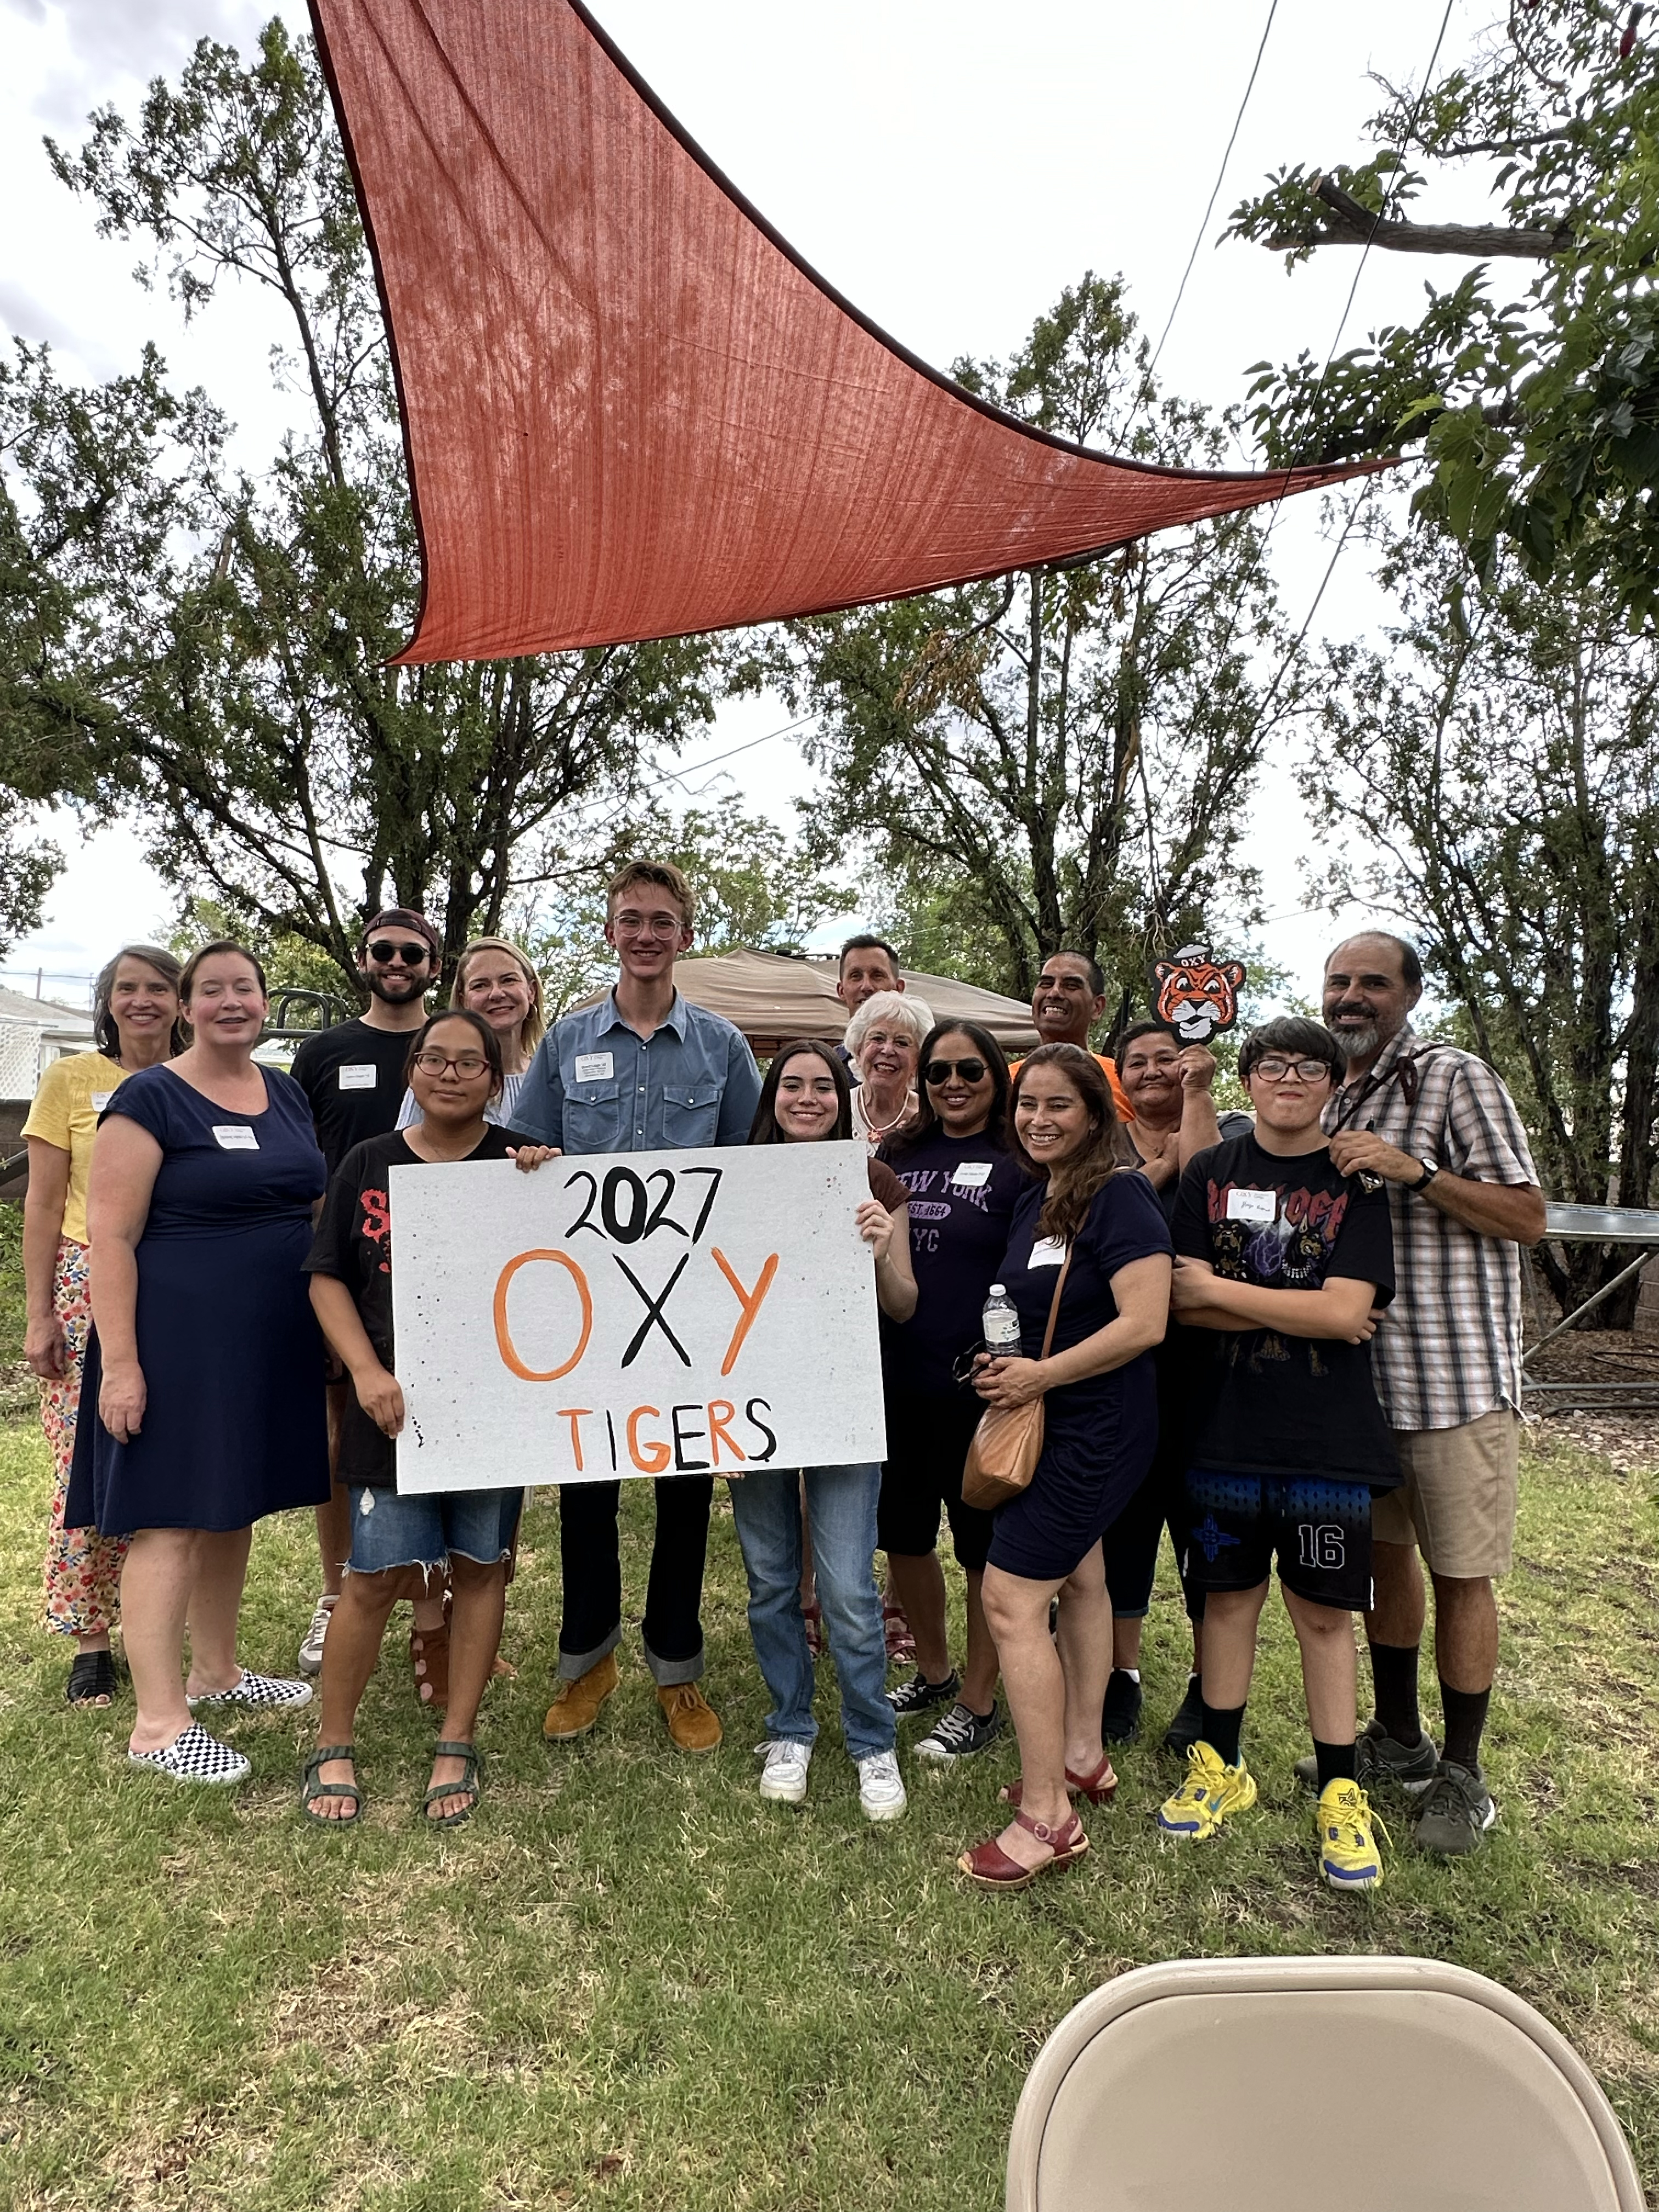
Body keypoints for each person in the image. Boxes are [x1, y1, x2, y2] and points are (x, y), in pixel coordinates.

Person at [514, 859, 763, 1752]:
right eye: (631, 919)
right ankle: (586, 1660)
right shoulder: (565, 1042)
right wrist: (533, 1163)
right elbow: (524, 1148)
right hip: (583, 1304)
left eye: (662, 920)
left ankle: (676, 1667)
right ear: (610, 930)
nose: (646, 934)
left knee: (684, 1486)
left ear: (683, 935)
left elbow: (748, 1175)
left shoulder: (723, 1049)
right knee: (585, 1487)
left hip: (687, 1302)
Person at [65, 941, 328, 1785]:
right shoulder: (149, 1096)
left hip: (266, 1341)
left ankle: (216, 1674)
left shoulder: (283, 1090)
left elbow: (315, 1201)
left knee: (229, 1508)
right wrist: (122, 1367)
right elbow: (111, 1236)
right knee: (172, 1518)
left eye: (243, 989)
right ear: (186, 1006)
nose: (229, 1003)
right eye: (210, 990)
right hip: (175, 1340)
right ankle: (157, 1721)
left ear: (262, 1001)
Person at [1318, 931, 1546, 1855]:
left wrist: (1414, 1171)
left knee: (1460, 1574)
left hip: (1454, 1381)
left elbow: (1527, 1216)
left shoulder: (1453, 1077)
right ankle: (1398, 1738)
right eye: (1337, 980)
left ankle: (1462, 1773)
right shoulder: (1331, 1092)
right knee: (1382, 1562)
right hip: (1363, 1381)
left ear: (1407, 994)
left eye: (1371, 981)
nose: (1351, 995)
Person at [300, 1010, 557, 1825]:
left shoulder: (525, 1165)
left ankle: (457, 1738)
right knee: (371, 1580)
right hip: (396, 1409)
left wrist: (548, 1181)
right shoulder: (368, 1164)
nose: (450, 1073)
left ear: (495, 1077)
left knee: (481, 1567)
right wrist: (368, 1372)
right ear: (412, 1071)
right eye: (434, 1059)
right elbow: (327, 1277)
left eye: (469, 1062)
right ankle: (332, 1743)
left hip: (494, 1413)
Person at [1158, 1017, 1396, 1892]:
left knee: (1326, 1617)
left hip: (1327, 1440)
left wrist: (1226, 1291)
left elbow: (1347, 1314)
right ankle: (1222, 1765)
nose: (1288, 1078)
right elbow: (1177, 1305)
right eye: (1272, 1064)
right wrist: (1300, 1300)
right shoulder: (1207, 1174)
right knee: (1224, 1603)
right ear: (1247, 1079)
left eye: (1308, 1066)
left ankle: (1340, 1790)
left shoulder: (1355, 1181)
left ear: (1332, 1083)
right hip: (1219, 1427)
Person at [957, 1045, 1171, 1891]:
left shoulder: (1120, 1195)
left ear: (1096, 1113)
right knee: (1081, 1583)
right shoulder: (1041, 1197)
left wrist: (1042, 1375)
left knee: (1010, 1601)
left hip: (1095, 1428)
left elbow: (1146, 1321)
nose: (1038, 1119)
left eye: (1058, 1105)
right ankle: (1082, 1756)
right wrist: (1003, 1364)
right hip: (1046, 1419)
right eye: (1027, 1105)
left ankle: (1048, 1816)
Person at [730, 1041, 915, 1820]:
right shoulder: (731, 1179)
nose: (807, 1098)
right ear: (772, 1096)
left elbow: (904, 1303)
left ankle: (873, 1741)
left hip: (841, 1405)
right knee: (772, 1582)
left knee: (844, 1586)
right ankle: (791, 1727)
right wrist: (710, 1425)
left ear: (844, 1099)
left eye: (823, 1087)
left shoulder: (873, 1180)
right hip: (751, 1408)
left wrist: (877, 1249)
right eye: (792, 1085)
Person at [22, 945, 185, 1707]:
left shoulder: (196, 1083)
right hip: (88, 1278)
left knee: (170, 1461)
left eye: (159, 987)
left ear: (182, 1001)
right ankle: (91, 1638)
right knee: (86, 1460)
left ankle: (153, 1627)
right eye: (129, 988)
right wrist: (39, 1313)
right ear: (109, 1001)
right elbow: (44, 1207)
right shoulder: (71, 1081)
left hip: (181, 1281)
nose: (144, 1000)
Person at [290, 907, 443, 1683]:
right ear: (362, 958)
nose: (395, 961)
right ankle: (335, 1591)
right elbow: (294, 1159)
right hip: (347, 1271)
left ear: (432, 965)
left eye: (410, 952)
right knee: (339, 1437)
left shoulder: (448, 1048)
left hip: (442, 1276)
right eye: (383, 949)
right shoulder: (323, 1051)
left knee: (423, 1435)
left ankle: (429, 1616)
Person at [1098, 1019, 1252, 1748]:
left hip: (1209, 1375)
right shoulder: (1104, 1145)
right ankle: (1120, 1676)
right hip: (1125, 1371)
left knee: (1203, 1533)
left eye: (1169, 1058)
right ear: (1119, 1077)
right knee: (1125, 1525)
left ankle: (1204, 1681)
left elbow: (1206, 1186)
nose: (1154, 1070)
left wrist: (1198, 1092)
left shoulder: (1227, 1129)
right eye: (1137, 1062)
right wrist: (1145, 1170)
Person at [878, 1021, 1023, 1760]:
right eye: (938, 1073)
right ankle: (935, 1673)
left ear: (996, 1076)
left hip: (979, 1388)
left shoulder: (1018, 1162)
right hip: (896, 1380)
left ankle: (979, 1699)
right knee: (903, 1538)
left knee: (980, 1550)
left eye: (970, 1070)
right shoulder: (897, 1155)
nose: (954, 1085)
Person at [395, 935, 544, 1131]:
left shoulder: (550, 1074)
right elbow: (402, 1153)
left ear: (531, 991)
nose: (497, 994)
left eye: (508, 980)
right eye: (480, 985)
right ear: (464, 1000)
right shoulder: (437, 1076)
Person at [1017, 952, 1134, 1122]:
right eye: (1046, 984)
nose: (1054, 993)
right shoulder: (1004, 1081)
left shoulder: (1124, 1080)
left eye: (1071, 986)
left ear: (1097, 1007)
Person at [845, 989, 934, 1148]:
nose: (887, 1050)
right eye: (878, 1038)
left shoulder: (929, 1119)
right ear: (859, 1051)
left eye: (902, 1042)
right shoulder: (837, 1109)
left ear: (918, 1061)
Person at [834, 934, 906, 1073]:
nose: (866, 986)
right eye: (856, 976)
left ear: (899, 988)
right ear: (841, 991)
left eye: (877, 975)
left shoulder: (924, 1067)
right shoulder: (827, 1068)